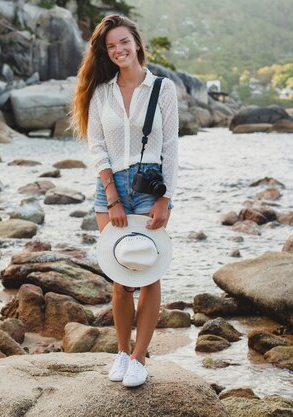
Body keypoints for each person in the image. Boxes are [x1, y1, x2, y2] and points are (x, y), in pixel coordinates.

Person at [71, 14, 178, 387]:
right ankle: (120, 352)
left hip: (151, 185)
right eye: (110, 46)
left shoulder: (162, 88)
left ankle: (139, 357)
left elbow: (170, 149)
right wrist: (112, 195)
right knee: (120, 275)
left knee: (149, 273)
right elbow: (97, 146)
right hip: (110, 186)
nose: (118, 50)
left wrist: (165, 197)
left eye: (123, 42)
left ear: (136, 42)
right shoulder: (101, 92)